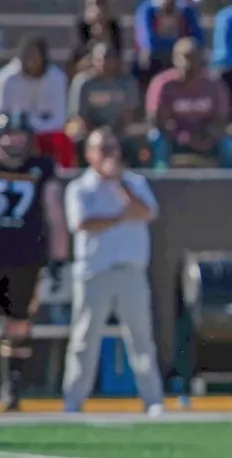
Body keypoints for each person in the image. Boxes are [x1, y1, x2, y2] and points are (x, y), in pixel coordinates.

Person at [62, 127, 164, 415]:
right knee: (84, 340)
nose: (108, 155)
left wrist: (120, 186)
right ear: (89, 154)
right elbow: (83, 224)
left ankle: (153, 400)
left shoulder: (134, 182)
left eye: (112, 148)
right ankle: (73, 401)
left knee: (141, 338)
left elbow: (147, 212)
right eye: (101, 149)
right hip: (95, 272)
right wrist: (120, 217)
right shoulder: (80, 188)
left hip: (131, 270)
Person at [0, 112, 68, 411]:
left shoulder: (41, 168)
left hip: (25, 258)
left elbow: (55, 215)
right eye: (8, 135)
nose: (13, 141)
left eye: (19, 135)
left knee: (18, 325)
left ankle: (13, 387)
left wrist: (59, 258)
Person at [145, 38, 232, 169]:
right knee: (156, 139)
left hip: (204, 138)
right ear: (174, 59)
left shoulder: (214, 84)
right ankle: (161, 180)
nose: (188, 63)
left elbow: (221, 120)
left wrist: (208, 136)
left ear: (200, 59)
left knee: (228, 144)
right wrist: (183, 137)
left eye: (193, 58)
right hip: (173, 139)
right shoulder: (163, 84)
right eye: (184, 57)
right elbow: (157, 122)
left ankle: (231, 185)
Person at [0, 35, 75, 169]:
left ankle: (63, 176)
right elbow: (1, 114)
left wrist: (33, 129)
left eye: (35, 57)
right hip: (12, 133)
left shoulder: (57, 79)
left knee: (62, 142)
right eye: (27, 56)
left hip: (44, 131)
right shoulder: (7, 78)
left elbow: (59, 120)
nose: (31, 61)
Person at [67, 43, 140, 163]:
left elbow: (128, 114)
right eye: (100, 59)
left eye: (109, 58)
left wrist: (113, 136)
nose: (104, 63)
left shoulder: (127, 83)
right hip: (89, 132)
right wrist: (96, 136)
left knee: (131, 146)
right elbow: (80, 116)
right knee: (78, 144)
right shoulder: (83, 82)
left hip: (118, 133)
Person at [133, 0, 204, 90]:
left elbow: (198, 40)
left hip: (181, 56)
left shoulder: (186, 10)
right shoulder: (147, 10)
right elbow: (149, 42)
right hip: (155, 59)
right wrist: (179, 43)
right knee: (147, 57)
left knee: (191, 57)